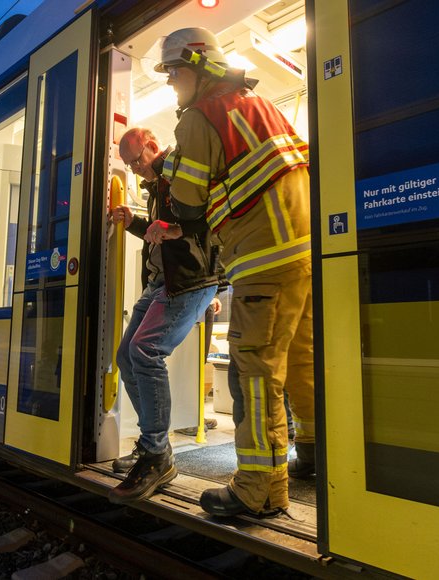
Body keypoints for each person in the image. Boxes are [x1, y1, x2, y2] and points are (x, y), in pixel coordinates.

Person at [156, 28, 315, 517]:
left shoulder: (198, 118)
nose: (171, 84)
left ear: (197, 67)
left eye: (174, 73)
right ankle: (315, 449)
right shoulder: (260, 105)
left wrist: (170, 168)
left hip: (263, 258)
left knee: (255, 371)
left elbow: (187, 204)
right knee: (304, 361)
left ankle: (259, 490)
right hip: (307, 252)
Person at [107, 127, 220, 503]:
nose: (136, 169)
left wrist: (169, 227)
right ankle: (152, 444)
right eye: (129, 164)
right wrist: (135, 222)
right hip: (161, 282)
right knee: (126, 356)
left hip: (189, 281)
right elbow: (164, 236)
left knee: (145, 351)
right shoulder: (156, 186)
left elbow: (206, 225)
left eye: (137, 160)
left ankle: (157, 454)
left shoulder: (180, 174)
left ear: (153, 146)